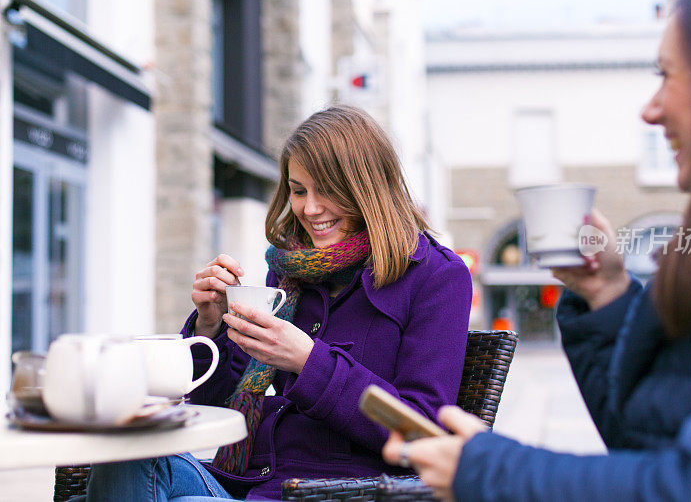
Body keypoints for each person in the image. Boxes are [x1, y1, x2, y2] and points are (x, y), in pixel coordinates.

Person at [383, 0, 691, 499]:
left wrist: (488, 473)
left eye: (666, 76)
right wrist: (604, 293)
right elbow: (648, 441)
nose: (651, 110)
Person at [84, 105, 471, 501]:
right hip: (253, 483)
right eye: (299, 190)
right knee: (124, 450)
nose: (310, 208)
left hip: (340, 492)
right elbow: (217, 404)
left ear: (367, 187)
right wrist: (210, 325)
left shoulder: (436, 276)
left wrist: (309, 361)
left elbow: (423, 431)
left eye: (329, 190)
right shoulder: (290, 272)